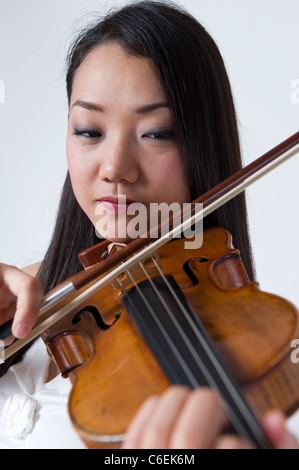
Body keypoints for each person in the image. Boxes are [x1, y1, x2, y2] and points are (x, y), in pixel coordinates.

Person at [0, 1, 298, 449]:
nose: (115, 167)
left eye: (156, 133)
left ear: (203, 145)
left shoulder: (276, 351)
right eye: (89, 131)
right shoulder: (28, 295)